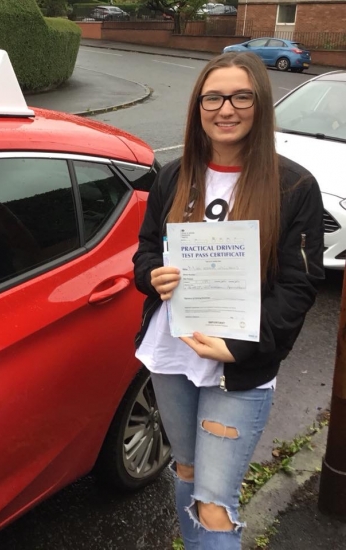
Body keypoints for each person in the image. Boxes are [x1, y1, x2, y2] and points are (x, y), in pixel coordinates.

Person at [132, 51, 324, 549]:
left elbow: (300, 285)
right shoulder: (173, 175)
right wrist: (153, 274)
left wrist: (243, 345)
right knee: (187, 472)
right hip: (174, 356)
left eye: (242, 96)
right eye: (213, 97)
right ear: (198, 106)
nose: (226, 108)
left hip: (238, 367)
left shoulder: (294, 185)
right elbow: (147, 250)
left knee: (214, 502)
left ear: (260, 105)